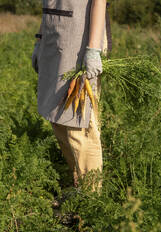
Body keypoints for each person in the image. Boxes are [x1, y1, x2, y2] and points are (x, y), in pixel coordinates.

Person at [32, 0, 112, 192]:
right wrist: (40, 39)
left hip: (80, 39)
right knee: (57, 118)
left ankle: (92, 199)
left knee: (79, 124)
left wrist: (93, 49)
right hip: (54, 37)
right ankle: (78, 181)